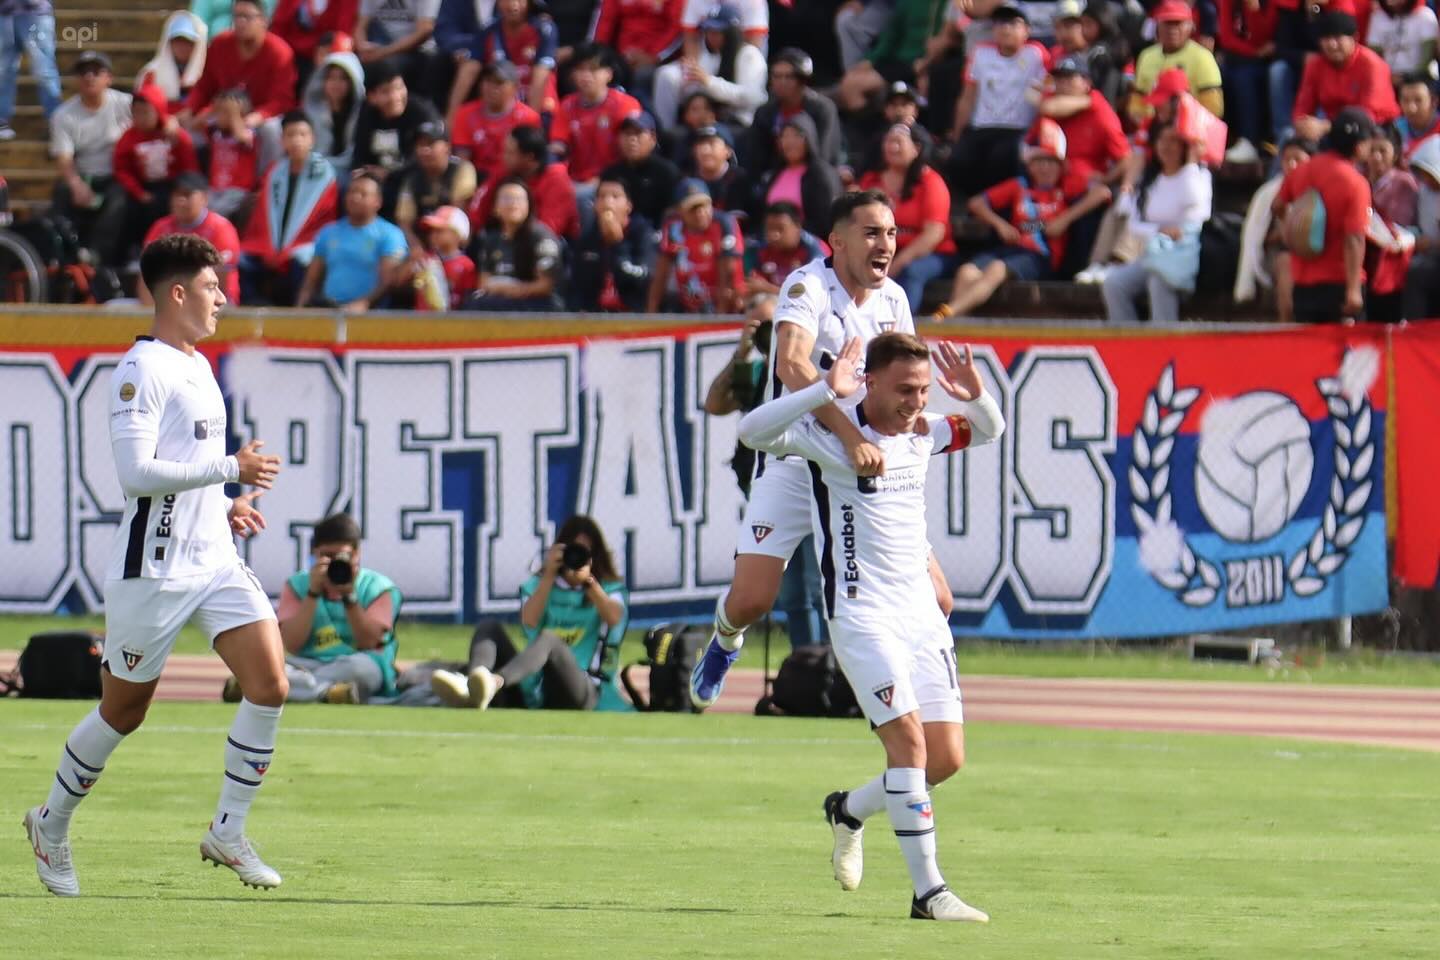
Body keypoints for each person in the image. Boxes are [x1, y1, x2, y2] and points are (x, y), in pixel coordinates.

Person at [23, 233, 287, 898]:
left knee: (270, 684)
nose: (222, 297)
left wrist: (222, 505)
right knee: (124, 711)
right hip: (156, 569)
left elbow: (181, 471)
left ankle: (227, 830)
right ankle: (50, 824)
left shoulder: (197, 363)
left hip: (214, 560)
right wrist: (230, 468)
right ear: (176, 293)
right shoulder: (140, 370)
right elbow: (136, 473)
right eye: (210, 286)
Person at [736, 332, 1004, 922]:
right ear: (873, 382)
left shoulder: (923, 433)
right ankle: (928, 894)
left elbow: (987, 431)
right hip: (863, 615)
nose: (917, 402)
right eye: (906, 389)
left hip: (921, 617)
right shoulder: (830, 436)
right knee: (907, 745)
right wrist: (819, 393)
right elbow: (752, 432)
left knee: (945, 759)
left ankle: (849, 808)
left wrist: (976, 396)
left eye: (925, 390)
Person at [690, 190, 931, 709]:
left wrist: (914, 433)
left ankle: (909, 696)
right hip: (797, 456)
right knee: (753, 599)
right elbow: (792, 366)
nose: (884, 244)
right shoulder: (806, 285)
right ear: (837, 241)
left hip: (857, 467)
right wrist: (848, 433)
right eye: (871, 233)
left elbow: (906, 380)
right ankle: (725, 639)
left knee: (938, 595)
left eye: (890, 233)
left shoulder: (895, 300)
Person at [703, 294, 831, 648]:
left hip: (813, 480)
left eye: (775, 325)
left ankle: (831, 665)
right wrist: (741, 352)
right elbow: (715, 403)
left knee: (820, 581)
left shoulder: (808, 369)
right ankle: (807, 661)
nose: (770, 334)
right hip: (769, 486)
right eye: (760, 326)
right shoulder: (756, 371)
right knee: (792, 590)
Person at [430, 515, 629, 711]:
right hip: (538, 685)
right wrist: (549, 575)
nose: (577, 558)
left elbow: (615, 618)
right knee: (489, 627)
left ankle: (494, 683)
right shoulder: (539, 585)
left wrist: (589, 583)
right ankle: (473, 688)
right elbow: (529, 620)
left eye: (584, 553)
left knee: (549, 639)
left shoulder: (609, 590)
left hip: (584, 690)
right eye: (572, 551)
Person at [932, 120, 1111, 318]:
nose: (1045, 168)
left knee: (996, 269)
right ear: (1029, 165)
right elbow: (976, 203)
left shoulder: (1066, 187)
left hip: (1040, 256)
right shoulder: (1019, 186)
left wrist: (1065, 219)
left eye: (1051, 162)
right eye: (1039, 162)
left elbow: (1102, 193)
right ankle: (957, 324)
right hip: (1011, 248)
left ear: (1061, 166)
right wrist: (1001, 225)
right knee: (966, 271)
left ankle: (949, 313)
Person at [265, 512, 403, 704]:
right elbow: (292, 644)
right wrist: (312, 593)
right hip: (307, 663)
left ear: (357, 554)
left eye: (342, 556)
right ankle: (328, 693)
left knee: (363, 669)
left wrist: (349, 596)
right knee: (263, 664)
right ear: (315, 554)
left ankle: (282, 689)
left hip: (356, 663)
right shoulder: (297, 586)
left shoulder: (378, 588)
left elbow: (369, 642)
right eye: (327, 556)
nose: (336, 563)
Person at [1101, 123, 1213, 324]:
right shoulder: (1151, 180)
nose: (1166, 146)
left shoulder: (1198, 176)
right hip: (1151, 254)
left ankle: (1164, 346)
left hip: (1182, 256)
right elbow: (1134, 225)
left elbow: (1196, 207)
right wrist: (1160, 229)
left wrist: (1191, 162)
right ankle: (1128, 344)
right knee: (1113, 284)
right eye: (1162, 140)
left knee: (1158, 282)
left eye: (1174, 141)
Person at [1273, 106, 1376, 322]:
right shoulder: (1356, 183)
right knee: (1345, 355)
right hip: (1338, 285)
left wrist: (1291, 235)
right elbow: (1354, 239)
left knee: (1308, 353)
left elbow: (1278, 206)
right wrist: (1354, 290)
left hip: (1302, 283)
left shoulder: (1302, 170)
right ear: (1359, 147)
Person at [948, 5, 1050, 200]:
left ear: (1027, 30)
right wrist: (957, 135)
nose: (1006, 28)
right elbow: (967, 97)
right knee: (959, 160)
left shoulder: (1036, 54)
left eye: (1013, 23)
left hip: (1017, 128)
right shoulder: (981, 53)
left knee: (1001, 158)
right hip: (982, 126)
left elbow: (1045, 93)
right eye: (1000, 23)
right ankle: (975, 204)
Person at [239, 111, 341, 306]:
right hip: (269, 243)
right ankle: (254, 304)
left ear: (312, 138)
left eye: (302, 134)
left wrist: (286, 249)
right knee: (241, 259)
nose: (296, 140)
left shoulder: (323, 172)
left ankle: (298, 310)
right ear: (282, 140)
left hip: (307, 242)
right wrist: (270, 247)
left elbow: (321, 218)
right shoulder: (275, 171)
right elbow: (262, 217)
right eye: (291, 135)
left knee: (301, 259)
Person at [859, 124, 956, 312]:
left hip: (931, 253)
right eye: (889, 141)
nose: (892, 147)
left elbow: (933, 234)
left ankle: (902, 332)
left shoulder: (931, 182)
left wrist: (897, 263)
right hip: (885, 249)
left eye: (898, 142)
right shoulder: (871, 180)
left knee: (912, 271)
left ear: (916, 148)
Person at [49, 51, 132, 264]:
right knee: (61, 193)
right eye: (83, 72)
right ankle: (63, 257)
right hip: (84, 175)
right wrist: (76, 184)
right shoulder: (63, 114)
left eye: (96, 72)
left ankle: (97, 256)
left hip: (117, 175)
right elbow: (64, 157)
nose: (89, 77)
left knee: (120, 198)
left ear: (109, 78)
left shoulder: (126, 105)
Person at [113, 84, 201, 267]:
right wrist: (138, 192)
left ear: (158, 110)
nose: (141, 118)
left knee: (167, 205)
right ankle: (132, 253)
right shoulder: (129, 138)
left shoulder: (175, 135)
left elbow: (189, 167)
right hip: (143, 187)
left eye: (146, 112)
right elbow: (122, 168)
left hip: (172, 186)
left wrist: (182, 190)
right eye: (137, 113)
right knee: (127, 208)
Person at [298, 171, 408, 309]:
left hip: (370, 314)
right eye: (351, 192)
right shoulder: (328, 232)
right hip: (330, 310)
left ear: (377, 201)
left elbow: (387, 281)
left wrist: (364, 303)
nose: (355, 197)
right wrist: (301, 308)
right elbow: (311, 281)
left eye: (363, 194)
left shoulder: (390, 234)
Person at [182, 0, 297, 131]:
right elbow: (205, 87)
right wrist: (190, 108)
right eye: (236, 16)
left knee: (271, 129)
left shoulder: (280, 52)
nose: (241, 22)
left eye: (247, 17)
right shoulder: (220, 44)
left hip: (261, 117)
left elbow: (282, 100)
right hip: (223, 112)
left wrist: (255, 118)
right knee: (190, 128)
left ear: (264, 20)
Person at [652, 3, 767, 129]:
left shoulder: (749, 55)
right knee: (666, 75)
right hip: (715, 121)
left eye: (717, 32)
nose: (711, 36)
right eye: (708, 31)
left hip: (742, 123)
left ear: (731, 33)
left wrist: (709, 82)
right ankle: (663, 132)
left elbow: (752, 98)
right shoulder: (711, 55)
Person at [1293, 12, 1399, 143]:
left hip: (1375, 128)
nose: (1332, 44)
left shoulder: (1372, 64)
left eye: (1337, 38)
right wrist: (1303, 124)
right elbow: (1303, 106)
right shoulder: (1315, 65)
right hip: (1331, 127)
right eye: (1326, 38)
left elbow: (1367, 115)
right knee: (1290, 138)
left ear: (1354, 38)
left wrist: (1326, 126)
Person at [548, 43, 642, 191]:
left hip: (615, 181)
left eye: (593, 69)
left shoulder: (625, 104)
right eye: (580, 69)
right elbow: (558, 144)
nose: (585, 75)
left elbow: (632, 152)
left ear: (609, 74)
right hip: (575, 180)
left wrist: (603, 179)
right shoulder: (567, 104)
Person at [140, 172, 242, 305]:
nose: (180, 200)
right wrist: (151, 310)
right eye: (176, 195)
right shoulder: (160, 227)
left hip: (216, 303)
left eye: (187, 195)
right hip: (170, 305)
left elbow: (221, 276)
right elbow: (145, 272)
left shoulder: (221, 228)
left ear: (204, 198)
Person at [467, 177, 564, 311]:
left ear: (529, 205)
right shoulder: (491, 240)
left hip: (534, 302)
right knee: (472, 303)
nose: (513, 204)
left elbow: (546, 286)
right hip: (500, 299)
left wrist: (517, 288)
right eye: (506, 198)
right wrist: (501, 288)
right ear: (495, 208)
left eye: (519, 199)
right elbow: (484, 282)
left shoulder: (541, 238)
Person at [648, 178, 744, 314]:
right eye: (693, 208)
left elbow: (728, 273)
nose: (700, 212)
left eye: (704, 205)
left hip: (726, 303)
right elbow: (661, 274)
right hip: (689, 303)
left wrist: (719, 317)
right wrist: (651, 313)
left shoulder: (724, 224)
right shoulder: (673, 227)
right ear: (680, 211)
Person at [467, 124, 579, 239]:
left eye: (510, 153)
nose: (503, 157)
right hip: (506, 237)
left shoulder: (557, 180)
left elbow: (549, 230)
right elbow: (478, 210)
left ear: (529, 158)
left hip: (546, 243)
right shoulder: (504, 170)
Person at [1128, 0, 1224, 127]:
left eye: (1178, 23)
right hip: (1151, 126)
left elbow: (1214, 107)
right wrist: (1137, 114)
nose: (1172, 29)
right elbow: (1138, 96)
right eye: (1167, 23)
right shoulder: (1147, 56)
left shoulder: (1203, 57)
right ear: (1157, 26)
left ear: (1191, 26)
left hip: (1191, 126)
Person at [450, 60, 541, 190]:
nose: (491, 88)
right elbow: (462, 160)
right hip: (476, 180)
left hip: (513, 181)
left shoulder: (528, 118)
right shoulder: (465, 113)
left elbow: (528, 163)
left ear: (515, 87)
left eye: (499, 83)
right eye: (487, 81)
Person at [748, 48, 843, 172]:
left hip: (814, 176)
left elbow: (825, 155)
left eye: (789, 77)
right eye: (777, 76)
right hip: (775, 177)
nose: (782, 82)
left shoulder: (823, 109)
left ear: (803, 79)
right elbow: (756, 158)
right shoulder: (764, 113)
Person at [751, 112, 842, 240]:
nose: (790, 142)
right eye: (785, 136)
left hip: (810, 247)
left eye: (797, 136)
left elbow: (827, 220)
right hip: (772, 245)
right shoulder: (775, 174)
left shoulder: (820, 174)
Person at [571, 177, 656, 311]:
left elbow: (641, 280)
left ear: (628, 206)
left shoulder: (642, 233)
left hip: (632, 314)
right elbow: (578, 284)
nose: (607, 202)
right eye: (601, 196)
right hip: (594, 317)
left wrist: (617, 244)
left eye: (615, 196)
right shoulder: (587, 238)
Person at [392, 120, 478, 249]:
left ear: (447, 148)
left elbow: (458, 214)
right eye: (420, 145)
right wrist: (416, 248)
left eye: (430, 144)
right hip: (425, 243)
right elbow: (404, 221)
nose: (425, 150)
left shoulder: (462, 169)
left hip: (457, 241)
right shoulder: (412, 178)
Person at [600, 111, 680, 230]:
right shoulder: (610, 174)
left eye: (638, 133)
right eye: (627, 134)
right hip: (620, 235)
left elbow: (674, 214)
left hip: (657, 235)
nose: (632, 139)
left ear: (652, 138)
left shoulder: (666, 173)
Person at [298, 47, 366, 180]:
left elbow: (354, 156)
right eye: (331, 78)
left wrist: (325, 165)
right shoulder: (312, 111)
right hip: (315, 170)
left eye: (342, 79)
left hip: (348, 173)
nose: (336, 84)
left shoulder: (362, 113)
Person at [0, 0, 60, 141]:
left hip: (36, 11)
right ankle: (1, 121)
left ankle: (55, 123)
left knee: (44, 71)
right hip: (4, 13)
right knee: (2, 72)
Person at [205, 89, 262, 228]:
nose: (220, 116)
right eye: (218, 111)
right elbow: (198, 123)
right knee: (201, 209)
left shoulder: (248, 135)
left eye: (225, 112)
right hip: (214, 189)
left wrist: (234, 113)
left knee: (216, 213)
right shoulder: (216, 134)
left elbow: (240, 136)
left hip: (237, 191)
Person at [134, 12, 208, 116]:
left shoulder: (208, 73)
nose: (182, 46)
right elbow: (143, 108)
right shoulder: (151, 73)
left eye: (188, 42)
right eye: (177, 41)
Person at [747, 201, 827, 296]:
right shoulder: (762, 250)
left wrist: (768, 289)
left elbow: (811, 295)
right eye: (769, 228)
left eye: (780, 228)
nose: (774, 235)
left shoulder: (815, 252)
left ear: (797, 227)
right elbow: (753, 284)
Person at [413, 204, 477, 310]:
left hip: (451, 322)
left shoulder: (466, 265)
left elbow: (468, 299)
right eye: (432, 231)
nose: (434, 235)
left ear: (457, 234)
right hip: (421, 321)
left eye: (440, 231)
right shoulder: (425, 259)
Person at [1397, 73, 1440, 158]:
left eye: (1418, 100)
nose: (1411, 108)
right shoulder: (1395, 130)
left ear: (1434, 101)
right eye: (1405, 100)